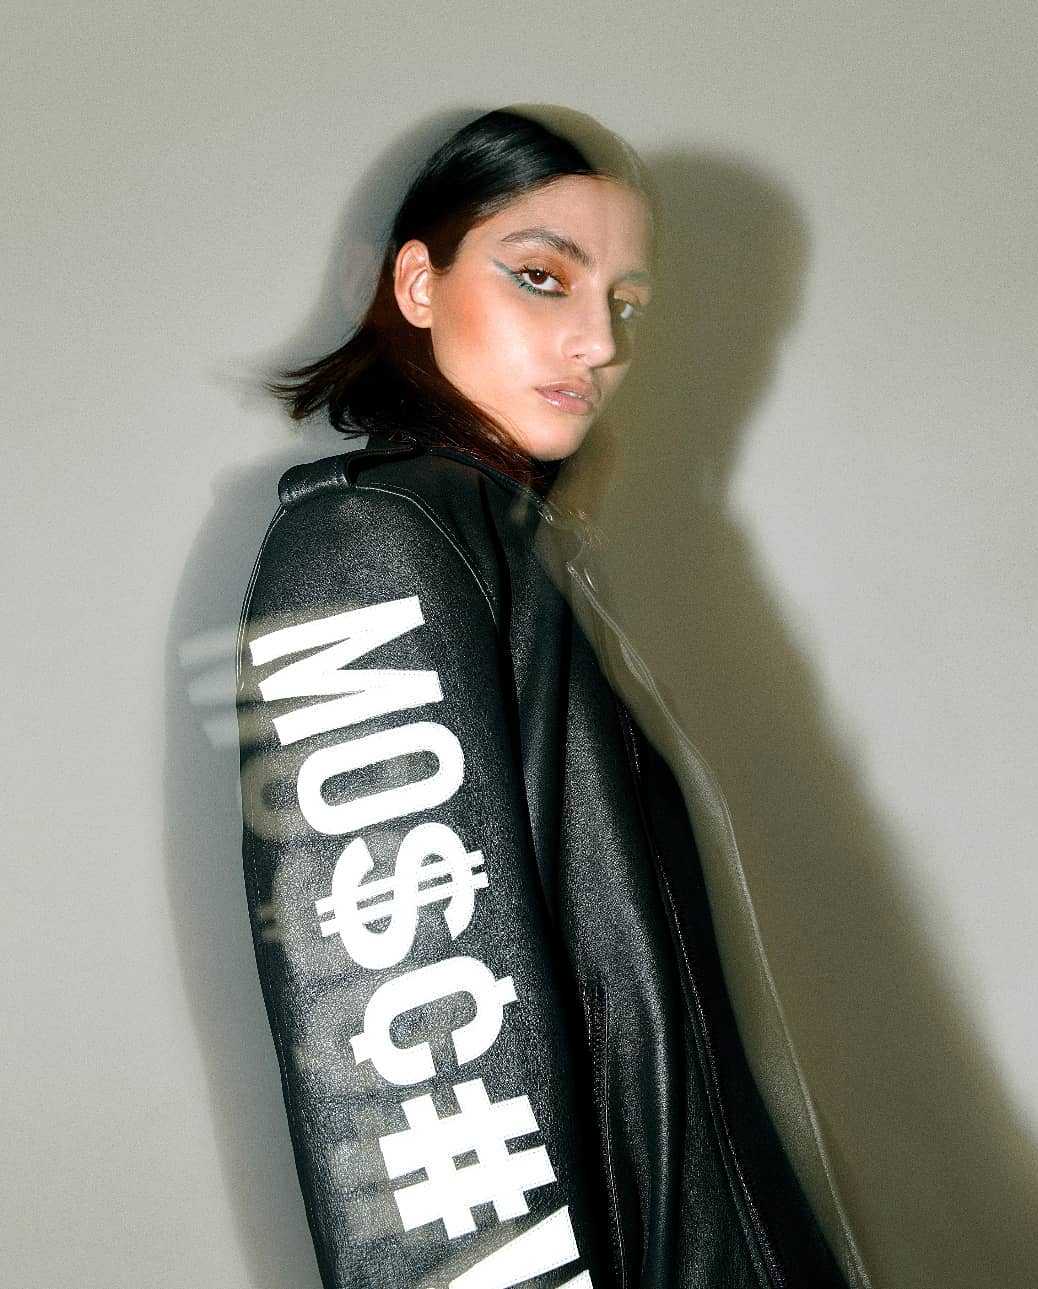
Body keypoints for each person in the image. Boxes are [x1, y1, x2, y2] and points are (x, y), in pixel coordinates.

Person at [236, 106, 853, 1289]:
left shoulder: (511, 546)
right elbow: (412, 1071)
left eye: (626, 304)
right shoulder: (367, 545)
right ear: (418, 284)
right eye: (542, 277)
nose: (600, 342)